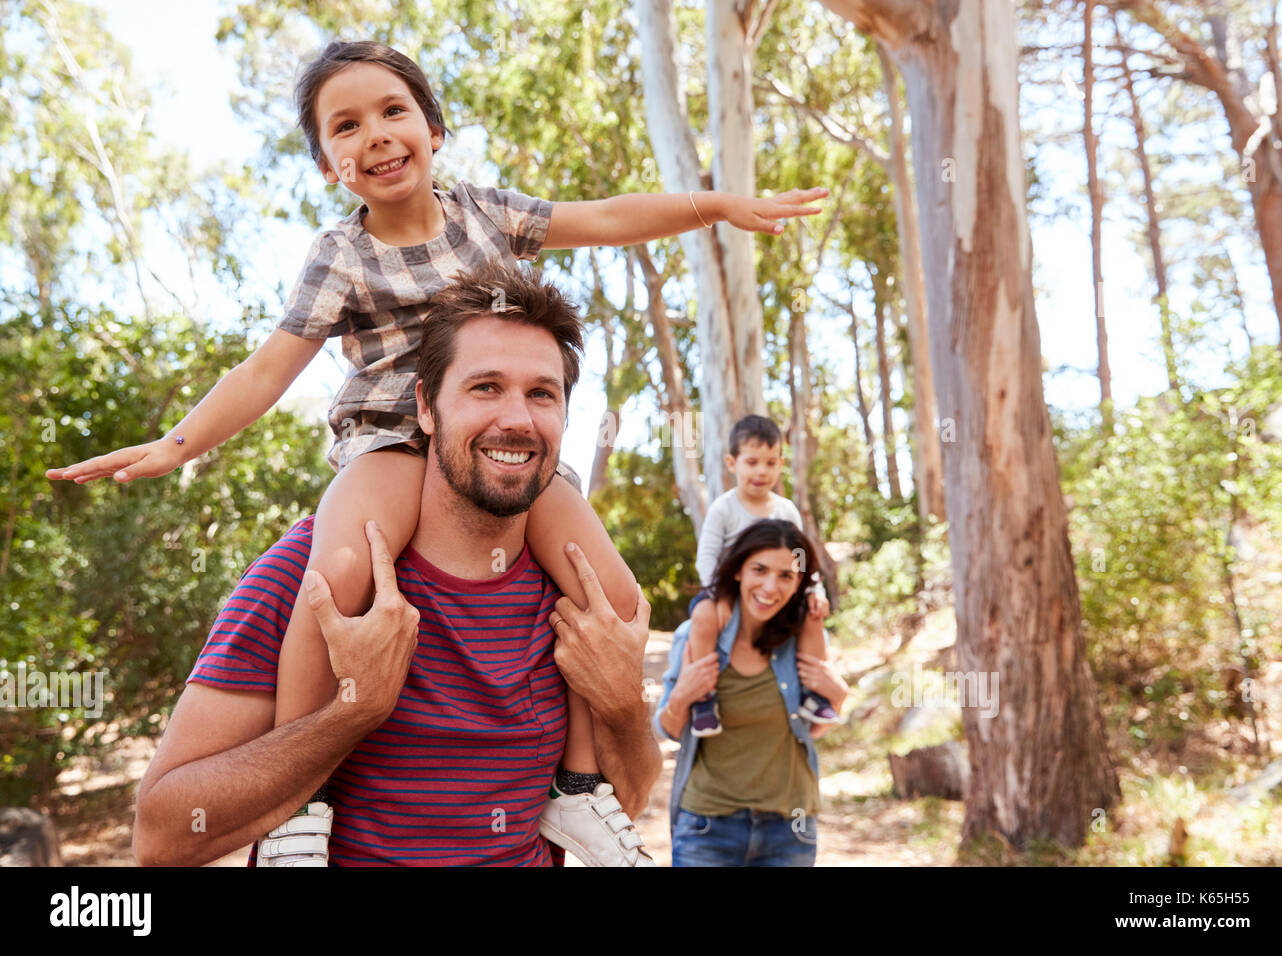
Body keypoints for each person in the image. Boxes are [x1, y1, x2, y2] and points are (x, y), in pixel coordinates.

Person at [45, 40, 826, 863]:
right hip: (389, 438)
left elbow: (607, 215)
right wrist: (177, 445)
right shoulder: (339, 255)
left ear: (434, 129)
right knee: (335, 577)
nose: (376, 135)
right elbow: (269, 367)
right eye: (345, 125)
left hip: (499, 453)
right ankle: (301, 809)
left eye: (393, 112)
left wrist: (720, 206)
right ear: (325, 164)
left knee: (617, 602)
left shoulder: (485, 215)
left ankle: (577, 791)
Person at [131, 262, 661, 866]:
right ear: (427, 408)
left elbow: (634, 797)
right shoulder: (311, 577)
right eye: (485, 387)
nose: (516, 419)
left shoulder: (574, 598)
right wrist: (351, 713)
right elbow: (163, 839)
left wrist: (622, 703)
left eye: (542, 393)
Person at [655, 519, 849, 866]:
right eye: (759, 569)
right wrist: (683, 696)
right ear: (738, 571)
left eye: (786, 576)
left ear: (799, 584)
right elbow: (668, 729)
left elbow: (812, 730)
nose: (770, 586)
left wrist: (838, 696)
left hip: (790, 829)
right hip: (706, 827)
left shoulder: (802, 640)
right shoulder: (696, 636)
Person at [686, 415, 837, 738]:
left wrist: (815, 589)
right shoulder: (723, 509)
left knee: (812, 615)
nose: (761, 471)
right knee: (701, 617)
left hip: (774, 591)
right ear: (732, 462)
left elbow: (801, 558)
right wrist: (720, 596)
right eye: (752, 462)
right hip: (726, 589)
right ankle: (703, 699)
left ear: (780, 464)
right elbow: (707, 558)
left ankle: (814, 693)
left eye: (770, 463)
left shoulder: (786, 511)